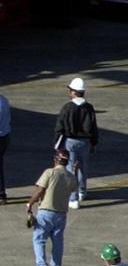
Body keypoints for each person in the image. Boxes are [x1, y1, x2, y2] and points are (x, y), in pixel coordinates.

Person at [25, 147, 78, 266]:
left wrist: (30, 203)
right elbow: (74, 187)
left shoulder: (49, 172)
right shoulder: (70, 176)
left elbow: (40, 190)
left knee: (39, 240)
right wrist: (75, 172)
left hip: (46, 212)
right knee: (58, 242)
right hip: (61, 215)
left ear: (55, 159)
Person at [54, 76, 98, 209]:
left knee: (70, 169)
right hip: (85, 141)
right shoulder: (89, 107)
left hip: (70, 141)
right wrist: (93, 143)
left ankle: (73, 199)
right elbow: (93, 126)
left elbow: (59, 127)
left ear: (74, 92)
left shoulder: (67, 107)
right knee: (83, 168)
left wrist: (57, 144)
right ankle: (82, 192)